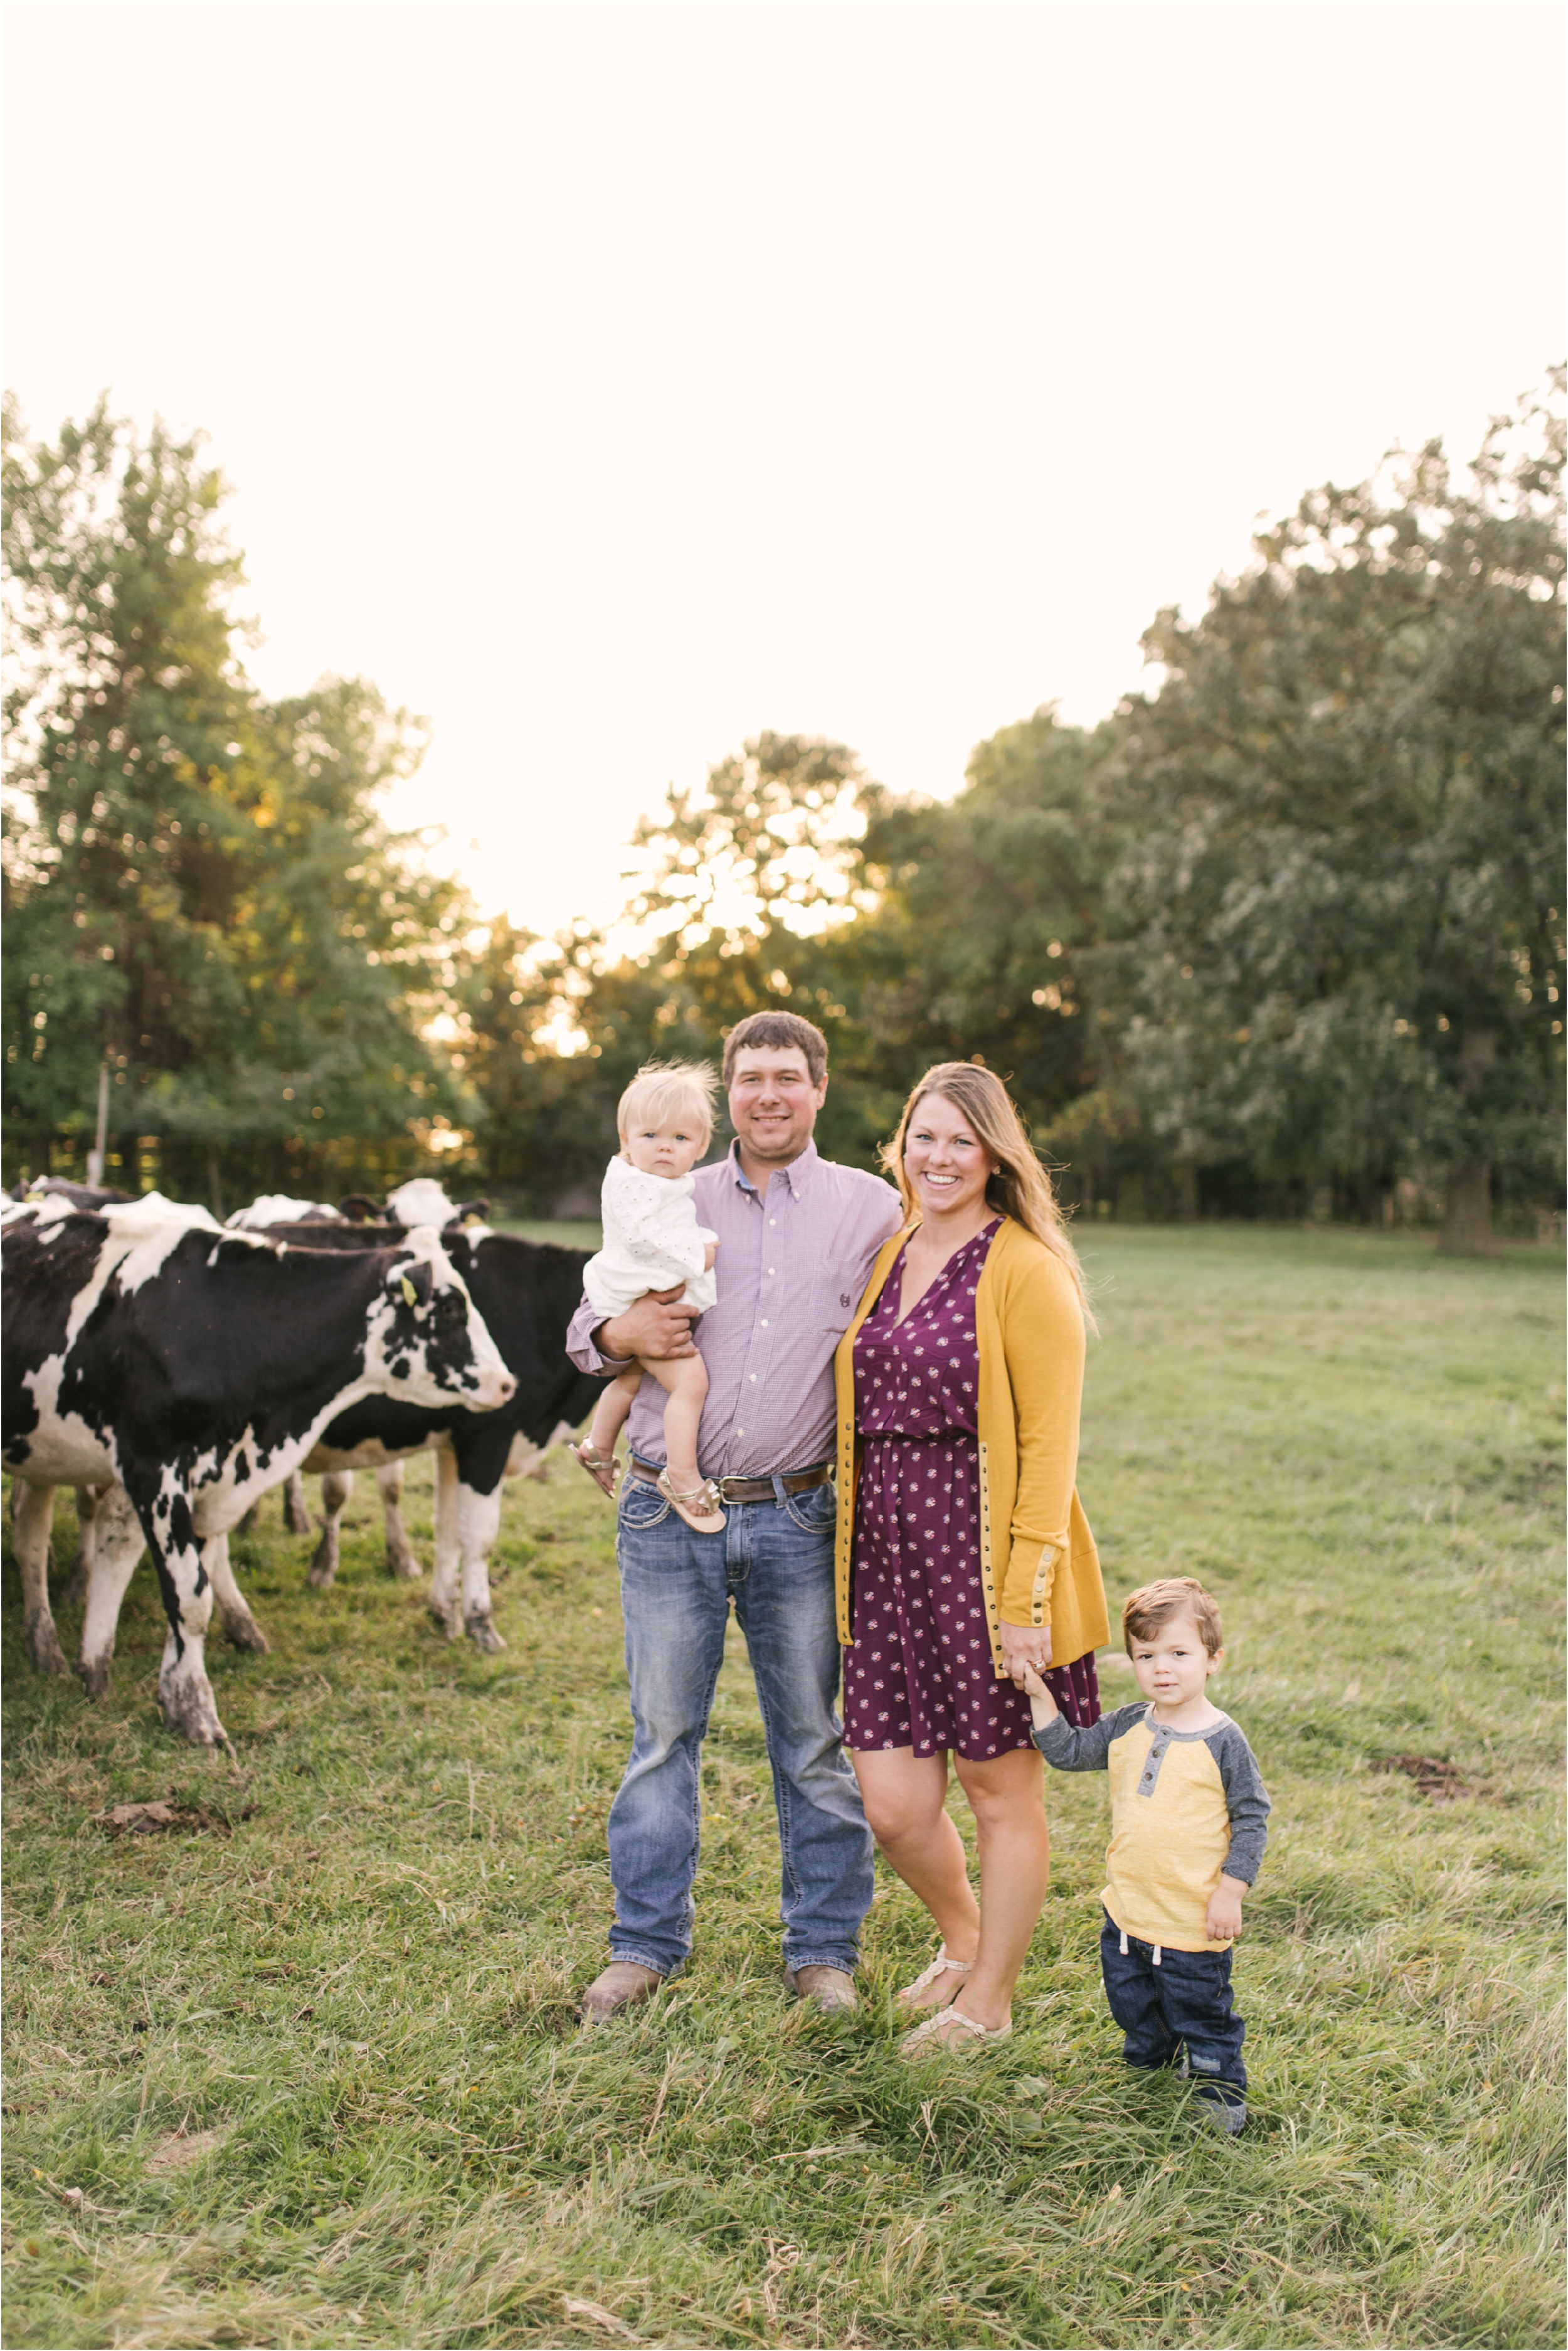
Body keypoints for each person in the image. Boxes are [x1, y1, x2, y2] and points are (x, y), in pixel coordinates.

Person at [566, 1011, 904, 2022]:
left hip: (800, 1514)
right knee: (663, 1735)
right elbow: (591, 1323)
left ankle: (823, 1951)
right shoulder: (674, 1186)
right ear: (728, 1091)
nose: (768, 1093)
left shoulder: (868, 1207)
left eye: (787, 1077)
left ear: (819, 1089)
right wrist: (615, 1330)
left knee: (811, 1741)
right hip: (665, 1520)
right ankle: (645, 1945)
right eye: (751, 1076)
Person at [832, 1061, 1109, 2054]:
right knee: (894, 1805)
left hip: (985, 1561)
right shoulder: (889, 1249)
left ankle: (987, 2003)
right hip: (885, 1556)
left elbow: (1050, 1455)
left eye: (962, 1140)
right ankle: (961, 1940)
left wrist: (1025, 1598)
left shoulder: (1027, 1267)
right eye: (924, 1137)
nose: (939, 1157)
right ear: (900, 1146)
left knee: (999, 1792)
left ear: (996, 1153)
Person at [1024, 1576, 1271, 2135]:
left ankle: (1218, 2085)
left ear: (1213, 1660)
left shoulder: (1223, 1740)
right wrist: (1042, 1700)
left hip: (1191, 1916)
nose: (1163, 1667)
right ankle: (1151, 2064)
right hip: (1129, 1910)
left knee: (1201, 2011)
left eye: (1180, 1653)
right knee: (1131, 2000)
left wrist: (1232, 1889)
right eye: (1147, 1655)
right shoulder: (1130, 1724)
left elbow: (1252, 1816)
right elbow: (1069, 1751)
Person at [572, 1061, 726, 1534]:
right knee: (689, 1383)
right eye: (651, 1135)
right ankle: (680, 1476)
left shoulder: (655, 1182)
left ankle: (598, 1446)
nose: (665, 1146)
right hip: (630, 1294)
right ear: (625, 1140)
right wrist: (696, 1254)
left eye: (681, 1139)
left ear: (699, 1147)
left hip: (636, 1290)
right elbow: (644, 1237)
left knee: (635, 1377)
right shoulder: (633, 1184)